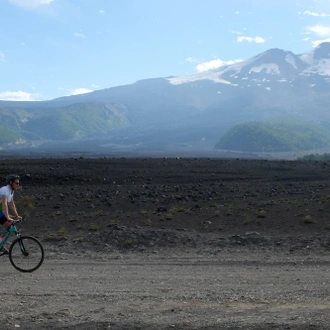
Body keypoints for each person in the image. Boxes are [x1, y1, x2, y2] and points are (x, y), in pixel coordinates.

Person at [0, 174, 22, 253]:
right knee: (9, 222)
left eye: (18, 183)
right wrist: (8, 217)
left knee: (9, 227)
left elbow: (12, 205)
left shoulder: (11, 192)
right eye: (16, 183)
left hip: (0, 212)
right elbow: (4, 204)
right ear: (10, 182)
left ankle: (0, 243)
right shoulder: (5, 190)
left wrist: (17, 215)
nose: (18, 185)